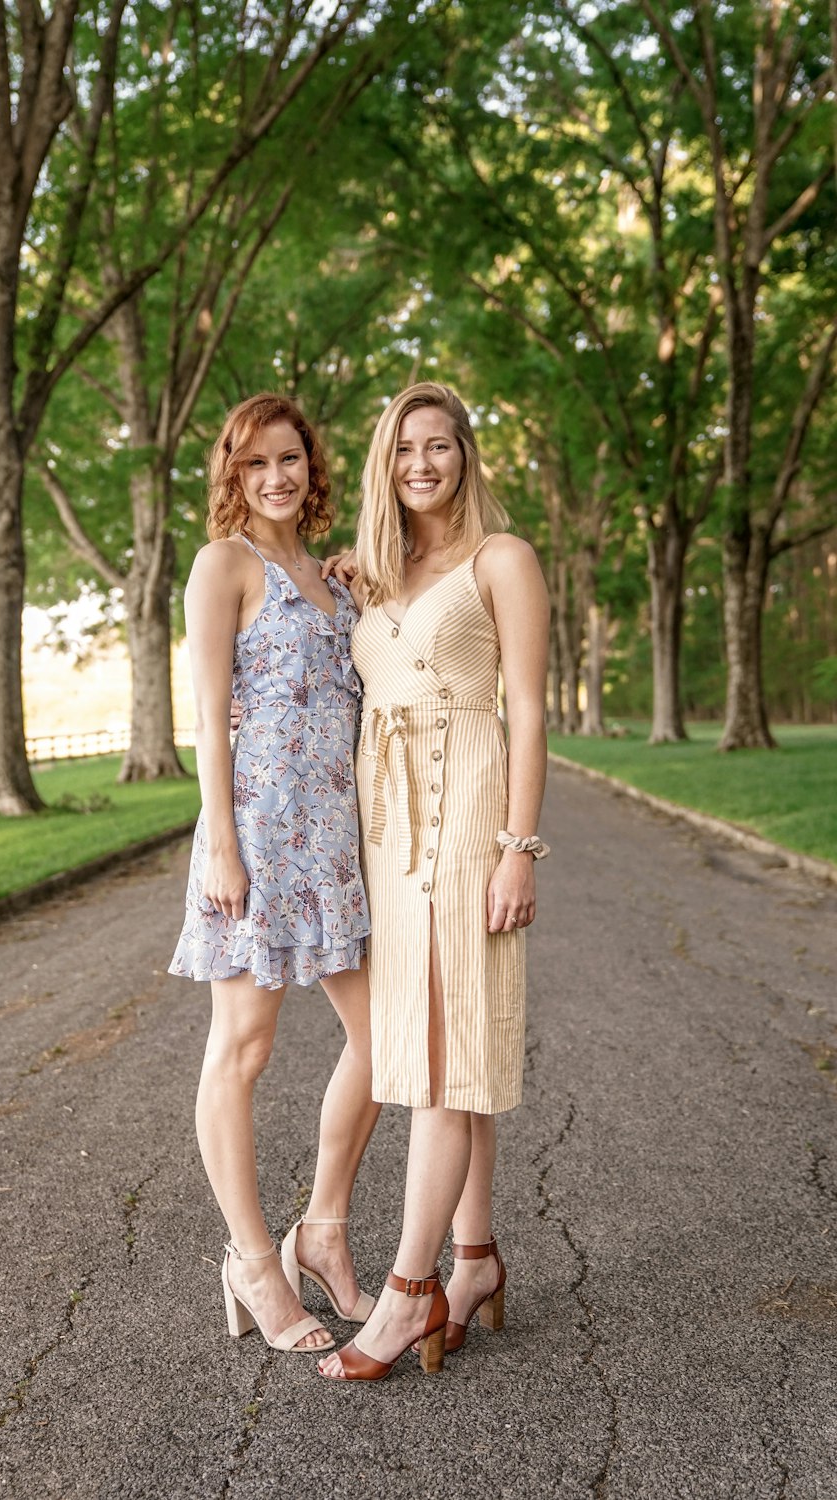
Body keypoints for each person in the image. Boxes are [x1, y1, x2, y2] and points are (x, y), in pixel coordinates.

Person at [317, 381, 550, 1381]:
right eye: (405, 447)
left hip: (465, 816)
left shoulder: (502, 559)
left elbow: (531, 712)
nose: (422, 462)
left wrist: (517, 847)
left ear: (465, 454)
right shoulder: (372, 574)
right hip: (387, 827)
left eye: (440, 445)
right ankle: (476, 1257)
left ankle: (406, 1296)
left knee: (448, 1051)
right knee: (434, 1040)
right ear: (387, 460)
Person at [170, 393, 380, 1355]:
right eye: (256, 465)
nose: (278, 478)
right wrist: (221, 840)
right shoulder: (225, 566)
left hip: (336, 847)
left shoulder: (331, 577)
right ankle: (253, 1263)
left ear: (312, 465)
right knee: (242, 1052)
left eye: (290, 459)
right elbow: (209, 715)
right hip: (255, 840)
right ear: (233, 475)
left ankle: (322, 1229)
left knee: (388, 1042)